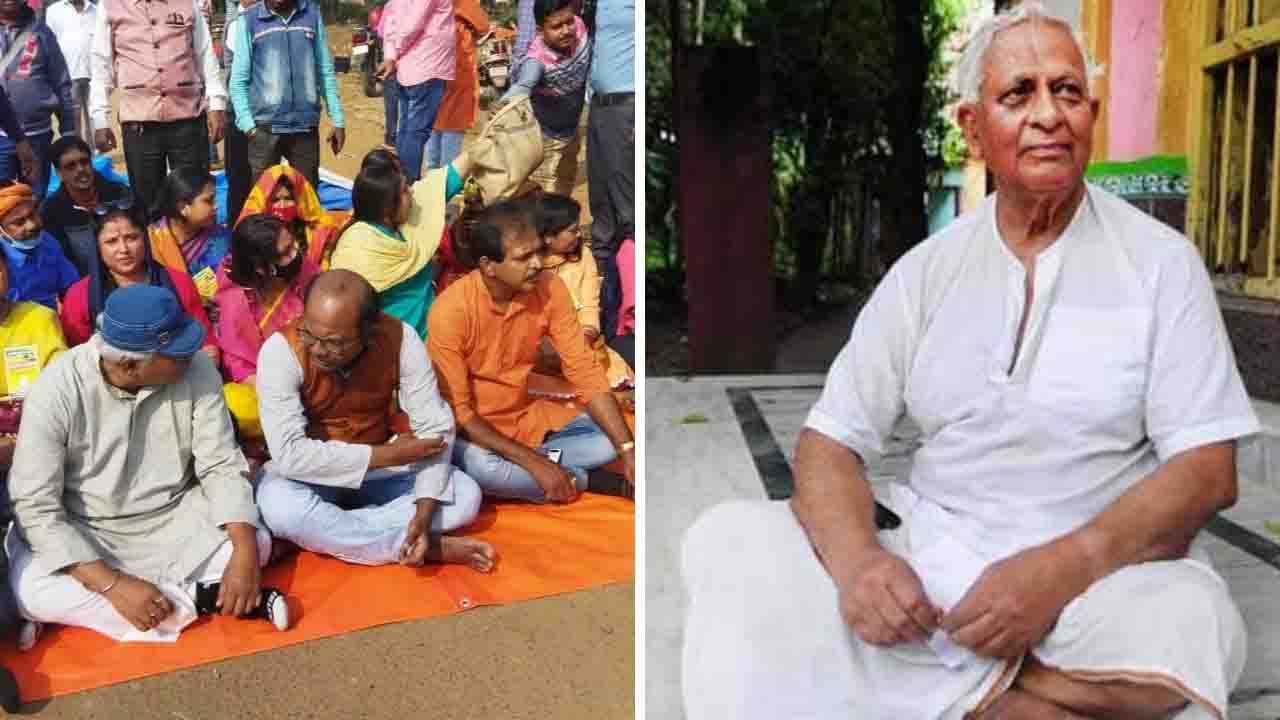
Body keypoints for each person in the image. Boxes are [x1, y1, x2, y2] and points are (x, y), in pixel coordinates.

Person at [681, 6, 1259, 719]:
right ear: (972, 128)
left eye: (1068, 92)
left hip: (1097, 576)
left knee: (1196, 624)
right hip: (937, 563)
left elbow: (1207, 470)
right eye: (1019, 94)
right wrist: (862, 564)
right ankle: (1010, 698)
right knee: (728, 542)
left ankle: (948, 691)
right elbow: (830, 443)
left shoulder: (1161, 265)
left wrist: (1058, 571)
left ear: (1093, 115)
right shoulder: (927, 272)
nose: (1049, 114)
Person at [8, 284, 291, 644]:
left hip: (173, 518)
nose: (193, 354)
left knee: (256, 543)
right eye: (177, 352)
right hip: (88, 529)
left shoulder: (196, 369)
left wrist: (246, 551)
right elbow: (36, 507)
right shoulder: (56, 390)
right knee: (31, 588)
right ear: (129, 364)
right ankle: (202, 599)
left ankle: (159, 607)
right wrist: (113, 585)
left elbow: (220, 463)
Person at [254, 269, 495, 571]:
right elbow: (289, 457)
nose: (317, 349)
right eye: (309, 334)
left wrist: (422, 513)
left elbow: (435, 427)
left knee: (466, 496)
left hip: (383, 470)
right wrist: (384, 455)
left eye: (334, 343)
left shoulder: (400, 339)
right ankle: (409, 546)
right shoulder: (280, 352)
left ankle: (333, 533)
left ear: (369, 331)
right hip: (311, 475)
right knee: (278, 506)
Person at [427, 200, 634, 503]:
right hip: (476, 436)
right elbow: (459, 414)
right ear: (488, 266)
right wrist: (533, 462)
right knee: (483, 468)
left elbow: (583, 370)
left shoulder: (549, 287)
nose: (537, 263)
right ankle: (584, 479)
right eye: (524, 257)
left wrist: (626, 450)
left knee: (609, 442)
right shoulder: (450, 310)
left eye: (538, 251)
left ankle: (544, 469)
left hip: (529, 423)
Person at [89, 0, 226, 214]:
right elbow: (101, 63)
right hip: (139, 123)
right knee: (148, 203)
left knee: (196, 197)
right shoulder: (110, 6)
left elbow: (205, 53)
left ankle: (199, 247)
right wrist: (99, 118)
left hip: (188, 119)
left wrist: (216, 103)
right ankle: (155, 247)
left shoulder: (186, 4)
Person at [330, 147, 472, 340]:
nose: (412, 193)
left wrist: (476, 151)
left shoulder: (405, 223)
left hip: (429, 337)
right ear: (389, 207)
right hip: (392, 351)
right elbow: (343, 312)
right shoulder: (357, 248)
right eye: (405, 190)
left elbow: (443, 183)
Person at [59, 207, 217, 369]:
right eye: (111, 241)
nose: (124, 249)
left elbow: (205, 341)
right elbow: (77, 358)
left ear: (145, 240)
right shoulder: (80, 296)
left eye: (131, 238)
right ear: (98, 248)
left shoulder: (177, 282)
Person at [214, 213, 318, 440]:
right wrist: (278, 393)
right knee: (236, 406)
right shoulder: (237, 301)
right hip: (268, 383)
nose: (296, 254)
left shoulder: (303, 269)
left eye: (293, 245)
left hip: (319, 366)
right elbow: (238, 362)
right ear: (261, 268)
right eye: (285, 253)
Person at [229, 0, 344, 195]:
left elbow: (324, 70)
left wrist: (338, 119)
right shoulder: (249, 20)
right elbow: (238, 80)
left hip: (304, 126)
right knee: (263, 200)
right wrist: (248, 125)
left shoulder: (311, 15)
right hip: (264, 129)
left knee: (307, 199)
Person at [535, 192, 630, 388]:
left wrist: (584, 339)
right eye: (572, 230)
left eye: (578, 228)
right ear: (548, 238)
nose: (579, 235)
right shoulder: (528, 263)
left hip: (580, 344)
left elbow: (590, 306)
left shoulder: (584, 255)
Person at [498, 0, 590, 197]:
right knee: (545, 199)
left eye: (568, 22)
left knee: (566, 181)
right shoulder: (537, 60)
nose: (566, 31)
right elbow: (523, 86)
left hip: (572, 130)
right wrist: (502, 105)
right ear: (540, 30)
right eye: (556, 27)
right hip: (545, 138)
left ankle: (564, 226)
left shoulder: (580, 27)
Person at [584, 0, 632, 341]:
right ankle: (600, 324)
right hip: (600, 106)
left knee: (629, 218)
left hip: (626, 108)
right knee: (602, 220)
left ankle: (629, 326)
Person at [0, 0, 73, 204]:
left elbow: (62, 83)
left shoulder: (42, 33)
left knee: (36, 202)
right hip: (1, 139)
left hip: (37, 137)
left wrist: (68, 132)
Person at [375, 0, 454, 183]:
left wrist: (392, 55)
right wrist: (396, 52)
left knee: (407, 130)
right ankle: (407, 185)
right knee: (415, 132)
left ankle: (400, 183)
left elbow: (391, 22)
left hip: (411, 68)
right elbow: (412, 24)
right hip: (427, 66)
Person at [38, 134, 131, 274]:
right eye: (71, 166)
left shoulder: (120, 193)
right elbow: (61, 263)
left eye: (84, 162)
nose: (80, 169)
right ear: (59, 173)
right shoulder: (50, 211)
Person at [236, 163, 347, 270]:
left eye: (288, 199)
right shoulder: (251, 236)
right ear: (263, 202)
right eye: (275, 200)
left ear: (300, 200)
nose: (282, 206)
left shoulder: (318, 231)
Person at [147, 167, 231, 303]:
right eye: (209, 201)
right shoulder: (152, 241)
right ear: (182, 207)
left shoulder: (222, 240)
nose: (216, 206)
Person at [425, 0, 487, 171]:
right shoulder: (464, 2)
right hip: (458, 69)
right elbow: (482, 26)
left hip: (430, 66)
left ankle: (432, 176)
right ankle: (446, 179)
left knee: (434, 122)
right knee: (453, 124)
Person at [0, 183, 77, 309]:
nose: (32, 225)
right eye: (19, 222)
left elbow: (71, 286)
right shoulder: (2, 264)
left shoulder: (47, 242)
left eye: (32, 215)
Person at [219, 0, 256, 225]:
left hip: (263, 113)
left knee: (261, 177)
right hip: (239, 111)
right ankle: (237, 231)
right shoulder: (236, 22)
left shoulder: (262, 17)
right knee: (239, 177)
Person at [43, 0, 95, 140]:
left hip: (93, 72)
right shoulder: (54, 10)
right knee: (73, 117)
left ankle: (95, 155)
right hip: (67, 74)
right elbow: (48, 43)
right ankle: (78, 150)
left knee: (94, 115)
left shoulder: (95, 10)